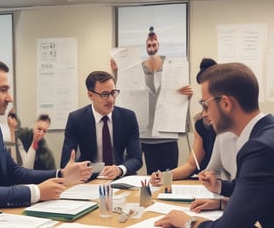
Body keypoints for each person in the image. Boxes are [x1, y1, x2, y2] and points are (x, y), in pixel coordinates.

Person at [0, 59, 93, 223]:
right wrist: (36, 192)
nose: (10, 98)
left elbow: (13, 172)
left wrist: (61, 173)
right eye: (3, 90)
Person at [154, 62, 274, 228]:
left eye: (205, 104)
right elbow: (256, 188)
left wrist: (186, 221)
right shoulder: (265, 134)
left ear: (226, 103)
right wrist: (220, 193)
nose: (204, 114)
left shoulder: (259, 149)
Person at [111, 26, 193, 175]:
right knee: (149, 177)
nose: (151, 45)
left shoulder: (172, 68)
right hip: (144, 135)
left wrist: (188, 94)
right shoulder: (136, 69)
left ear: (159, 44)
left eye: (154, 43)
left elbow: (180, 96)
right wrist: (116, 72)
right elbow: (123, 92)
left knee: (168, 178)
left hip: (167, 135)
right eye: (149, 43)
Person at [60, 70, 143, 180]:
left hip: (120, 178)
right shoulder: (76, 119)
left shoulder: (128, 117)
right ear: (90, 95)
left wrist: (119, 170)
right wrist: (90, 170)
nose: (111, 99)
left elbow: (136, 158)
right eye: (105, 94)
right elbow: (66, 163)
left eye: (113, 93)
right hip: (88, 179)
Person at [150, 58, 217, 184]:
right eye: (202, 104)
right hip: (204, 185)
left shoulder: (235, 128)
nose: (204, 113)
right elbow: (191, 165)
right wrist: (165, 176)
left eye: (207, 105)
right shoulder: (201, 125)